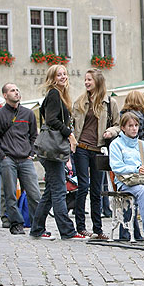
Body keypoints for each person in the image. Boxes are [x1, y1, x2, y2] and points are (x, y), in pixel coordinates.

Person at [30, 65, 87, 241]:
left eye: (64, 74)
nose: (63, 77)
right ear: (53, 78)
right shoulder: (54, 94)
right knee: (59, 190)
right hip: (52, 150)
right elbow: (52, 120)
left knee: (50, 191)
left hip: (51, 150)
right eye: (59, 75)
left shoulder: (59, 95)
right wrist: (69, 134)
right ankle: (67, 231)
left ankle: (37, 228)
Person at [71, 68, 119, 240]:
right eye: (85, 79)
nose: (86, 82)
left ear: (97, 81)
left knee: (97, 190)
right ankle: (81, 227)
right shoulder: (80, 101)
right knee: (83, 186)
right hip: (82, 147)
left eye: (89, 79)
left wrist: (111, 132)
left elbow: (118, 124)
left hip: (99, 149)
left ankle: (98, 229)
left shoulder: (110, 103)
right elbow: (72, 124)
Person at [0, 83, 41, 235]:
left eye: (17, 90)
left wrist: (31, 152)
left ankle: (38, 225)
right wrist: (2, 156)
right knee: (9, 194)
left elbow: (34, 136)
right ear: (5, 95)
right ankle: (16, 224)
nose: (16, 92)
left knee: (34, 193)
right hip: (8, 158)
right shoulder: (0, 114)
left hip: (25, 159)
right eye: (12, 90)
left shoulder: (28, 114)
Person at [109, 112, 144, 239]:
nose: (134, 128)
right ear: (123, 128)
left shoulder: (142, 144)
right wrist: (136, 168)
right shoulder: (116, 144)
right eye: (130, 126)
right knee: (143, 192)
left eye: (136, 125)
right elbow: (116, 167)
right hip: (126, 182)